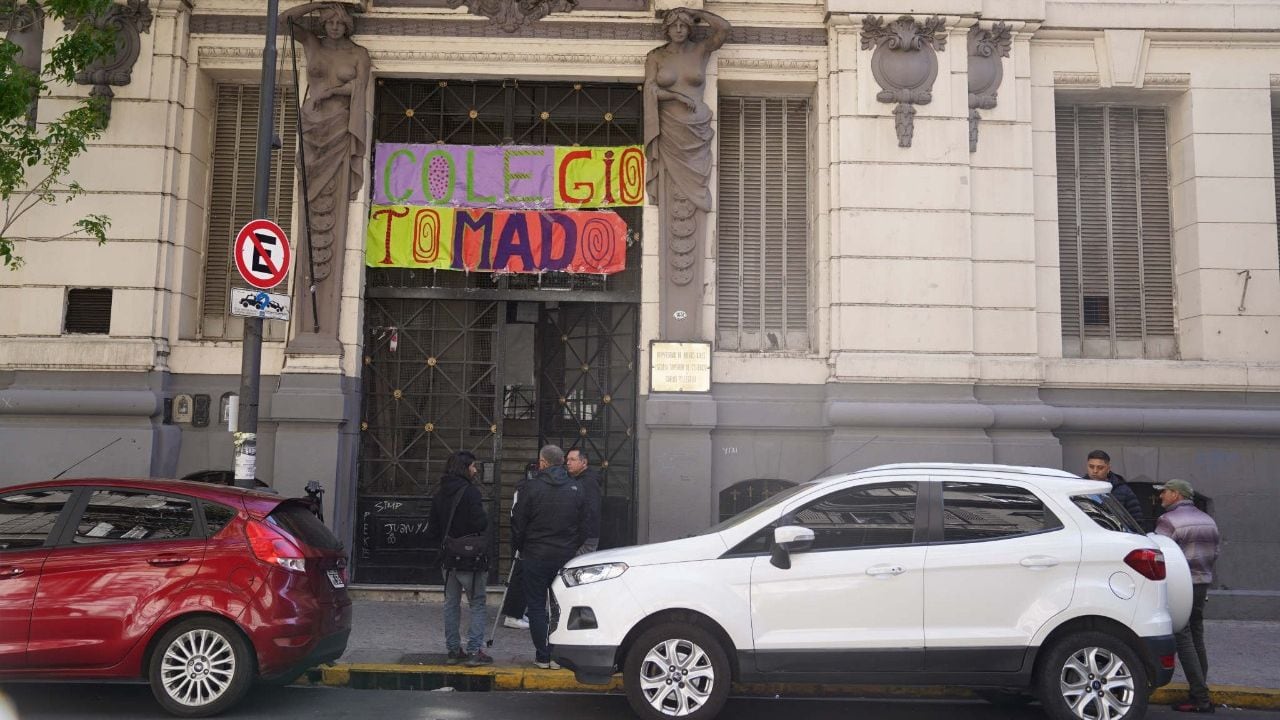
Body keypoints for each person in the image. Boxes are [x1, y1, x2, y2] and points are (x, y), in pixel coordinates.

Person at [277, 2, 370, 351]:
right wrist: (317, 1)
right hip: (312, 128)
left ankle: (319, 330)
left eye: (338, 21)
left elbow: (359, 89)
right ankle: (312, 330)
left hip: (338, 128)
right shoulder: (312, 43)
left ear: (346, 25)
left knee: (328, 203)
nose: (333, 26)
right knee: (311, 199)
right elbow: (280, 20)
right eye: (327, 21)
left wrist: (329, 91)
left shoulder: (358, 54)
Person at [643, 6, 730, 212]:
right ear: (667, 29)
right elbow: (651, 89)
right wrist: (675, 96)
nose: (679, 29)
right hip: (669, 128)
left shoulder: (700, 50)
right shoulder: (656, 56)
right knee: (671, 187)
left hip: (696, 130)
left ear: (690, 27)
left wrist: (697, 12)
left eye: (684, 25)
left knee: (697, 184)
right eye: (674, 25)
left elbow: (724, 29)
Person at [510, 444, 589, 669]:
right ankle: (557, 655)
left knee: (536, 606)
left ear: (543, 462)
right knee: (560, 606)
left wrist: (521, 547)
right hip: (564, 555)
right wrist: (572, 546)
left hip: (535, 554)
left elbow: (518, 523)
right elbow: (585, 523)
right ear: (562, 461)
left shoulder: (531, 488)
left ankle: (542, 654)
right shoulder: (575, 488)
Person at [1155, 479, 1221, 714]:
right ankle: (1199, 691)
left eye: (1164, 492)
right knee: (1196, 635)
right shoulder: (1207, 519)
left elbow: (1160, 555)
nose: (1161, 496)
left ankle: (1200, 698)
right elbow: (1215, 553)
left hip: (1182, 586)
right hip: (1202, 583)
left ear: (1176, 494)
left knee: (1183, 637)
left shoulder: (1168, 521)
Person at [425, 450, 492, 666]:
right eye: (472, 466)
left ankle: (453, 650)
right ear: (464, 467)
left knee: (451, 603)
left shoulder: (440, 492)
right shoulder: (471, 493)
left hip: (449, 557)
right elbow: (479, 523)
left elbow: (432, 530)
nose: (475, 470)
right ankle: (474, 650)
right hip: (471, 558)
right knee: (478, 602)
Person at [500, 462, 538, 631]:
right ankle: (513, 615)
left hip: (523, 537)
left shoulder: (523, 488)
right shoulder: (525, 490)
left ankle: (517, 612)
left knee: (522, 576)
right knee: (519, 577)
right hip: (524, 538)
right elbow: (517, 515)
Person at [1085, 450, 1146, 526]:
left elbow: (1137, 521)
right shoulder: (1078, 488)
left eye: (1100, 468)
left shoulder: (1123, 490)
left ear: (1108, 469)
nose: (1095, 471)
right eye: (1091, 467)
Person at [566, 448, 602, 555]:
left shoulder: (588, 482)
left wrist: (580, 538)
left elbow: (591, 511)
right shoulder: (578, 479)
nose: (568, 463)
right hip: (583, 536)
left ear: (584, 462)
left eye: (572, 459)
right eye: (567, 459)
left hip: (586, 538)